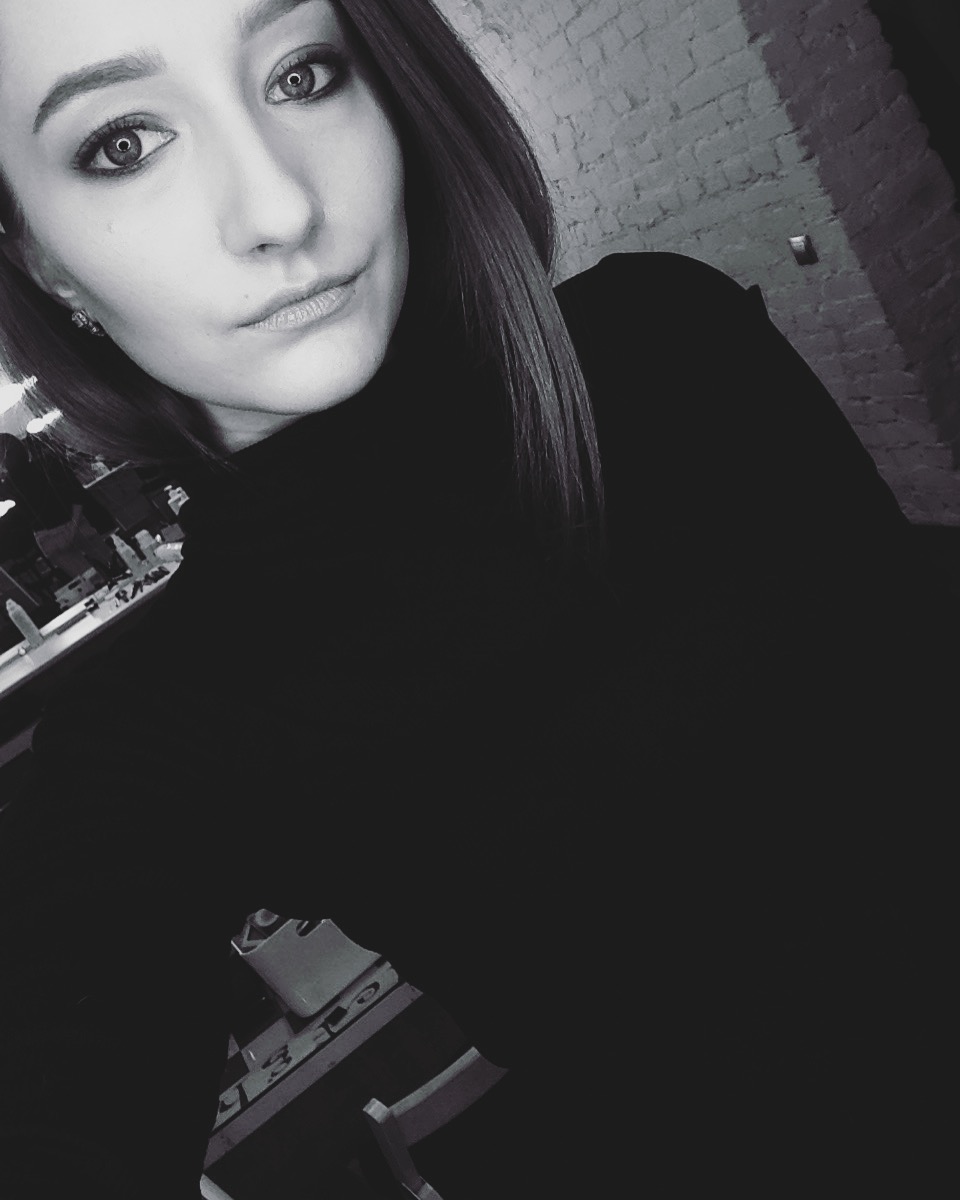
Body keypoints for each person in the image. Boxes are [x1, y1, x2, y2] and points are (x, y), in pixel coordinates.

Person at [0, 0, 953, 1196]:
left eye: (302, 74)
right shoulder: (163, 727)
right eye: (123, 144)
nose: (280, 208)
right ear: (43, 258)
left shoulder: (671, 340)